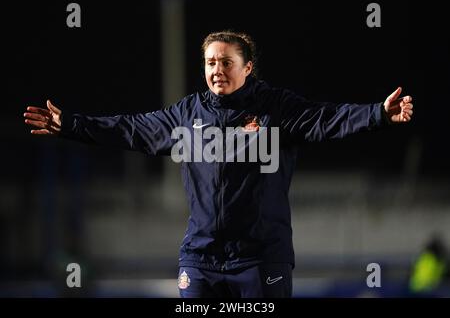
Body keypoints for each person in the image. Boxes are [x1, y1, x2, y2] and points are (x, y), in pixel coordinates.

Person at [23, 30, 414, 298]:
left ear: (247, 68)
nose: (217, 70)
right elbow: (131, 129)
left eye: (226, 62)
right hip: (200, 260)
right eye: (211, 62)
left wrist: (378, 113)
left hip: (260, 260)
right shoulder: (185, 115)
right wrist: (70, 124)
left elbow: (329, 119)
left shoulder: (276, 109)